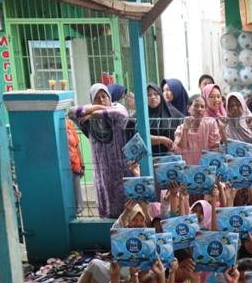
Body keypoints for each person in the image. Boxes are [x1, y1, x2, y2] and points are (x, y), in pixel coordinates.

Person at [68, 83, 133, 219]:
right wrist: (97, 109)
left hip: (121, 171)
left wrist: (94, 114)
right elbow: (72, 112)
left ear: (110, 97)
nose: (102, 100)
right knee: (106, 206)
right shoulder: (88, 122)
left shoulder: (116, 114)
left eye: (104, 96)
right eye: (97, 98)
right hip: (102, 172)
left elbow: (122, 113)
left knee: (127, 209)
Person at [172, 94, 221, 166]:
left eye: (202, 107)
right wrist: (185, 129)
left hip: (207, 168)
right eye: (196, 106)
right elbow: (179, 150)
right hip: (189, 170)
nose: (199, 109)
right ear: (188, 108)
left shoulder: (210, 123)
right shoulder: (180, 128)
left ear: (205, 110)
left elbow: (215, 147)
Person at [146, 82, 183, 157]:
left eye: (156, 94)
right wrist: (162, 139)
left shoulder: (172, 113)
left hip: (170, 158)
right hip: (147, 158)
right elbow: (140, 137)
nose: (153, 97)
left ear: (160, 96)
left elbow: (184, 130)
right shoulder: (140, 115)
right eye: (148, 95)